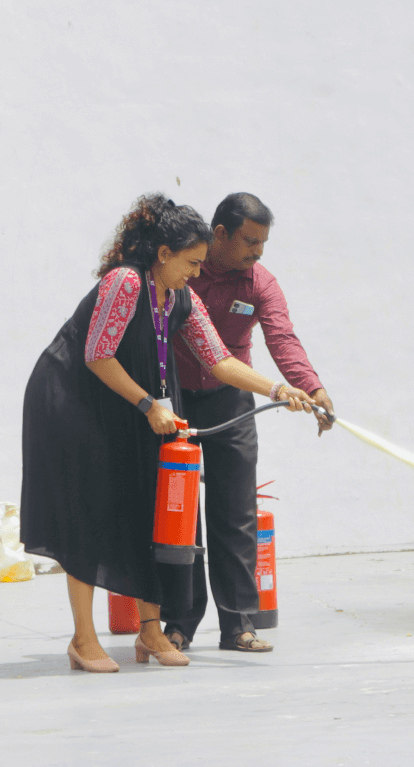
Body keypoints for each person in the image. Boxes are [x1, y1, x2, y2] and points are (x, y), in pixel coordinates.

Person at [21, 195, 316, 673]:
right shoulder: (125, 282)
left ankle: (151, 633)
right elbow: (97, 355)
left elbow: (219, 359)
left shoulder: (181, 295)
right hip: (73, 402)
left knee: (147, 508)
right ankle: (83, 639)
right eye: (191, 263)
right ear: (163, 254)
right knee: (89, 514)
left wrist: (282, 388)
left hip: (125, 405)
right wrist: (147, 404)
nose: (197, 273)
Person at [161, 192, 333, 655]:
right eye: (250, 242)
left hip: (232, 400)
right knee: (179, 517)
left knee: (234, 514)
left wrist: (311, 387)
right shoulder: (183, 272)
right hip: (172, 401)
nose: (258, 253)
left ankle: (238, 625)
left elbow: (282, 337)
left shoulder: (260, 284)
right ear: (220, 235)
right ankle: (178, 623)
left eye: (263, 244)